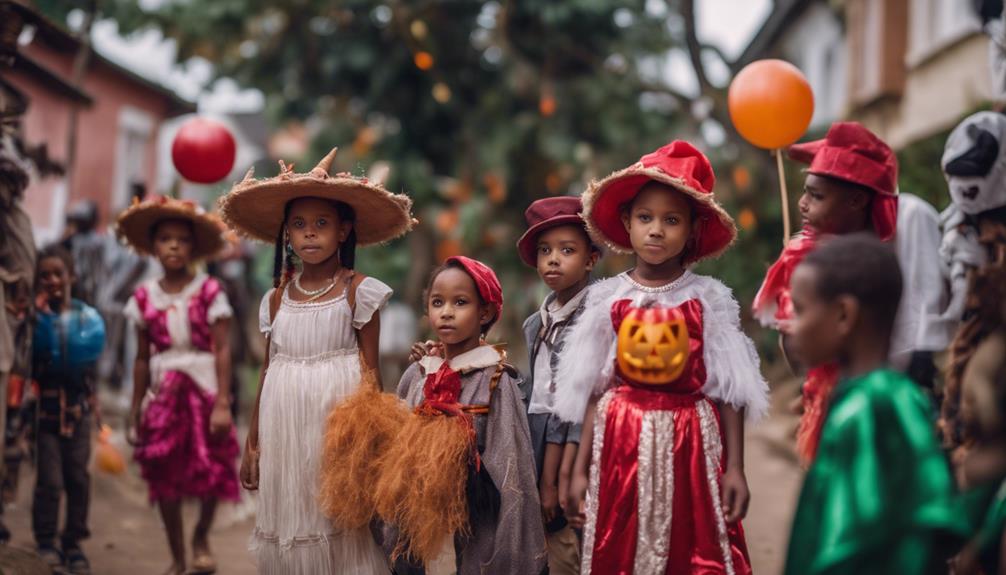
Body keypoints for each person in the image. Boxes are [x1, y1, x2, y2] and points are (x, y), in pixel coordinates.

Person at [555, 141, 769, 574]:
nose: (656, 230)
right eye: (645, 218)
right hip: (620, 445)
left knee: (692, 547)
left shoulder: (708, 299)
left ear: (692, 230)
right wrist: (580, 470)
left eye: (671, 220)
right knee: (621, 544)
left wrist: (736, 469)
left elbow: (728, 390)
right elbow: (596, 391)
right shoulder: (605, 299)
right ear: (626, 223)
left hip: (691, 444)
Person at [221, 150, 414, 574]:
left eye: (322, 224)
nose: (310, 235)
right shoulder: (274, 299)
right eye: (299, 225)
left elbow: (371, 376)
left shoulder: (358, 292)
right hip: (284, 426)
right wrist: (252, 443)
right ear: (286, 234)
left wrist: (370, 446)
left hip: (336, 429)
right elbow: (268, 371)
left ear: (344, 231)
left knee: (339, 521)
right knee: (294, 516)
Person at [752, 122, 947, 463]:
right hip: (838, 392)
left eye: (816, 195)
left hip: (902, 389)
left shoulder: (911, 218)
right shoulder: (811, 248)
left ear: (857, 199)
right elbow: (801, 349)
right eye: (805, 191)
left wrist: (917, 375)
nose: (802, 204)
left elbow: (931, 303)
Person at [783, 234, 968, 575]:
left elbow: (855, 541)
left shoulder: (873, 408)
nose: (790, 326)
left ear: (843, 315)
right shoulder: (876, 396)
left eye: (801, 310)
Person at [376, 256, 547, 574]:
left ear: (485, 312)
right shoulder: (417, 374)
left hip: (474, 528)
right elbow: (395, 458)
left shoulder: (497, 380)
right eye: (437, 302)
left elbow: (510, 468)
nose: (447, 312)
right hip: (418, 528)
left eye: (461, 302)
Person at [118, 197, 239, 575]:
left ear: (194, 247)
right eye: (165, 239)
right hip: (163, 393)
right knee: (163, 474)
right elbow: (141, 357)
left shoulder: (209, 291)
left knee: (213, 468)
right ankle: (176, 556)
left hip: (203, 388)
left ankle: (201, 536)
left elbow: (222, 349)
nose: (173, 246)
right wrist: (135, 406)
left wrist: (222, 402)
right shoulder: (142, 297)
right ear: (153, 246)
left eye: (182, 240)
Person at [516, 196, 600, 574]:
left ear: (591, 259)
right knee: (542, 541)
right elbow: (536, 393)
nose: (553, 259)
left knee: (576, 535)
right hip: (536, 439)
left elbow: (570, 404)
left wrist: (552, 479)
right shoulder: (536, 323)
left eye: (567, 250)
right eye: (545, 250)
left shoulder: (595, 318)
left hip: (576, 446)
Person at [30, 245, 105, 574]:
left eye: (58, 273)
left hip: (78, 412)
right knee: (49, 480)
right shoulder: (33, 319)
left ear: (71, 276)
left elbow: (91, 369)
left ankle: (72, 543)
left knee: (78, 478)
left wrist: (96, 404)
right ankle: (46, 541)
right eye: (44, 275)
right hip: (45, 412)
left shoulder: (87, 318)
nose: (52, 280)